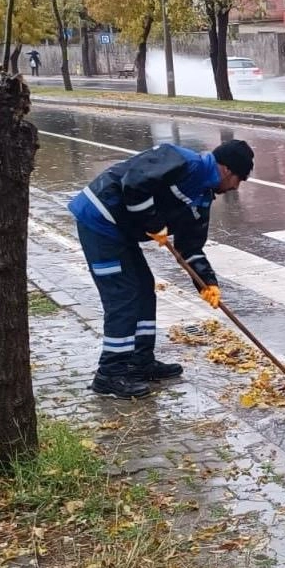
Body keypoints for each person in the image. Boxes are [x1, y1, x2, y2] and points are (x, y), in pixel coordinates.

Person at [68, 139, 254, 398]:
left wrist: (207, 282)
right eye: (239, 179)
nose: (235, 187)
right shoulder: (180, 160)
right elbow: (134, 184)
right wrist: (153, 222)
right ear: (226, 169)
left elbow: (190, 247)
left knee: (144, 289)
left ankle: (140, 362)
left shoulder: (201, 198)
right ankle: (110, 374)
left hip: (121, 231)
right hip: (100, 220)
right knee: (124, 295)